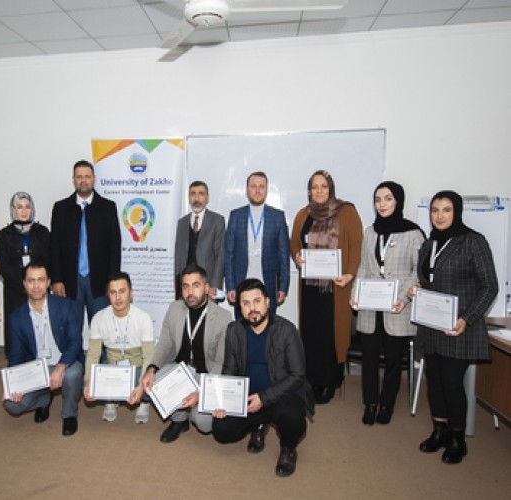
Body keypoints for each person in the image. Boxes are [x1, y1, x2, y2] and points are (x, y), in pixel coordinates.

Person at [411, 191, 497, 464]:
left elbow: (489, 286)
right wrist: (417, 290)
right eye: (435, 210)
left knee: (451, 382)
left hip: (458, 327)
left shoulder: (473, 242)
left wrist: (467, 318)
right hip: (431, 325)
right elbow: (429, 280)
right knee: (434, 381)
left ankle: (457, 438)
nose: (439, 216)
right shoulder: (429, 244)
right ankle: (440, 430)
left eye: (446, 210)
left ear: (456, 212)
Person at [212, 278, 314, 477]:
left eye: (257, 301)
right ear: (239, 307)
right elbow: (229, 370)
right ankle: (259, 425)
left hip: (281, 395)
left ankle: (288, 448)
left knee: (292, 418)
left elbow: (297, 376)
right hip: (248, 397)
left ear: (267, 302)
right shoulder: (234, 330)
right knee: (222, 430)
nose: (252, 308)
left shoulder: (286, 330)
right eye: (245, 303)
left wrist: (264, 398)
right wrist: (224, 400)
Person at [349, 181, 424, 425]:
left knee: (393, 361)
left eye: (388, 199)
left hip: (397, 308)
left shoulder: (413, 233)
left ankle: (387, 403)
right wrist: (355, 293)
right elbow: (363, 267)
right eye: (378, 199)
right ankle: (370, 403)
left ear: (398, 201)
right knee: (369, 359)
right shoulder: (371, 232)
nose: (382, 204)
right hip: (371, 307)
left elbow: (418, 271)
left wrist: (403, 298)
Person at [291, 170, 362, 404]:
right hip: (310, 287)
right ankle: (312, 379)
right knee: (311, 333)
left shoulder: (347, 212)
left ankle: (330, 381)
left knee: (331, 334)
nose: (319, 191)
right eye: (314, 187)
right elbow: (294, 243)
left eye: (323, 186)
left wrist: (349, 274)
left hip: (335, 287)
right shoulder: (303, 214)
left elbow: (356, 245)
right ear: (309, 191)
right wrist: (298, 257)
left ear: (331, 189)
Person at [140, 264, 232, 443]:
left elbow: (221, 362)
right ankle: (179, 421)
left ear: (206, 288)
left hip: (206, 375)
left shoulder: (223, 317)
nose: (190, 292)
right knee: (155, 381)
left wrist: (201, 393)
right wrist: (151, 369)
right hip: (181, 370)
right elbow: (164, 344)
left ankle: (196, 411)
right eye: (185, 286)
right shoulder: (174, 309)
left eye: (196, 285)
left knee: (204, 423)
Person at [3, 263, 84, 436]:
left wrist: (61, 366)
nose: (36, 285)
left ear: (48, 282)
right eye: (31, 280)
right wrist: (12, 385)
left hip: (64, 364)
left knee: (73, 374)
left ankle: (69, 413)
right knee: (11, 404)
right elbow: (16, 356)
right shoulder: (16, 317)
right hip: (36, 370)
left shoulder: (65, 305)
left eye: (40, 280)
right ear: (24, 283)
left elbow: (76, 342)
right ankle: (44, 400)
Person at [50, 160, 121, 325]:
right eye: (79, 177)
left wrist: (113, 281)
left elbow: (114, 247)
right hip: (69, 281)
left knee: (102, 329)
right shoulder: (60, 208)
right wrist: (56, 279)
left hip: (100, 281)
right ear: (73, 179)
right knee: (70, 329)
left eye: (87, 177)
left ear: (93, 179)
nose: (83, 181)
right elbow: (54, 246)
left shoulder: (108, 208)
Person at [83, 272, 155, 423]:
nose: (118, 297)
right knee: (91, 374)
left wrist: (141, 386)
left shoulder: (144, 318)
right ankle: (111, 400)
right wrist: (89, 380)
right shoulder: (98, 318)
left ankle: (144, 402)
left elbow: (148, 355)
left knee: (153, 376)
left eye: (122, 291)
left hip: (137, 366)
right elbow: (93, 353)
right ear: (107, 295)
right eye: (113, 292)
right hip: (112, 366)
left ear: (131, 292)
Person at [225, 171, 291, 316]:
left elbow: (284, 256)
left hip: (268, 284)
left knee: (268, 326)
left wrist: (283, 287)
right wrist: (230, 286)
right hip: (241, 283)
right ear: (247, 189)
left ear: (267, 189)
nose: (257, 190)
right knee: (241, 326)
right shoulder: (235, 216)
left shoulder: (278, 217)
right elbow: (228, 255)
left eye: (261, 186)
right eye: (253, 186)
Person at [0, 192, 50, 354]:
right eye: (19, 207)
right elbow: (4, 266)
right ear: (13, 210)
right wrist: (24, 286)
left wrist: (36, 285)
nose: (24, 210)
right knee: (17, 330)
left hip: (40, 291)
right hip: (15, 291)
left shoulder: (42, 232)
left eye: (27, 206)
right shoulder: (5, 235)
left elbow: (49, 260)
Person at [174, 181, 225, 299]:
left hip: (207, 285)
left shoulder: (217, 220)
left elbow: (220, 256)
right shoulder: (182, 222)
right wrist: (178, 287)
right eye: (193, 194)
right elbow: (178, 257)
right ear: (189, 198)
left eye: (201, 194)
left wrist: (215, 288)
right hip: (186, 285)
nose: (196, 198)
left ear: (207, 197)